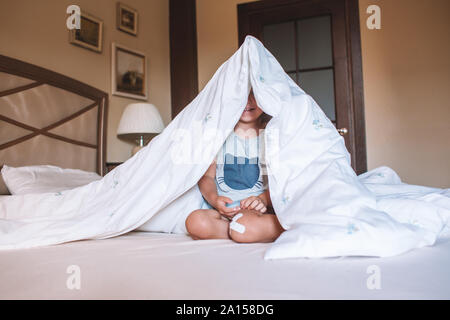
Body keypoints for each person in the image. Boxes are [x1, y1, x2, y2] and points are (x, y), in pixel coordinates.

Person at [185, 90, 285, 243]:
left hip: (255, 212)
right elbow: (207, 177)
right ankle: (238, 231)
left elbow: (283, 181)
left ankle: (282, 227)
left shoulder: (271, 135)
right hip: (225, 213)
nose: (248, 102)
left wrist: (262, 200)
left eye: (254, 95)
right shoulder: (219, 136)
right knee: (195, 222)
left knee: (243, 224)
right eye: (242, 94)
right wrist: (214, 199)